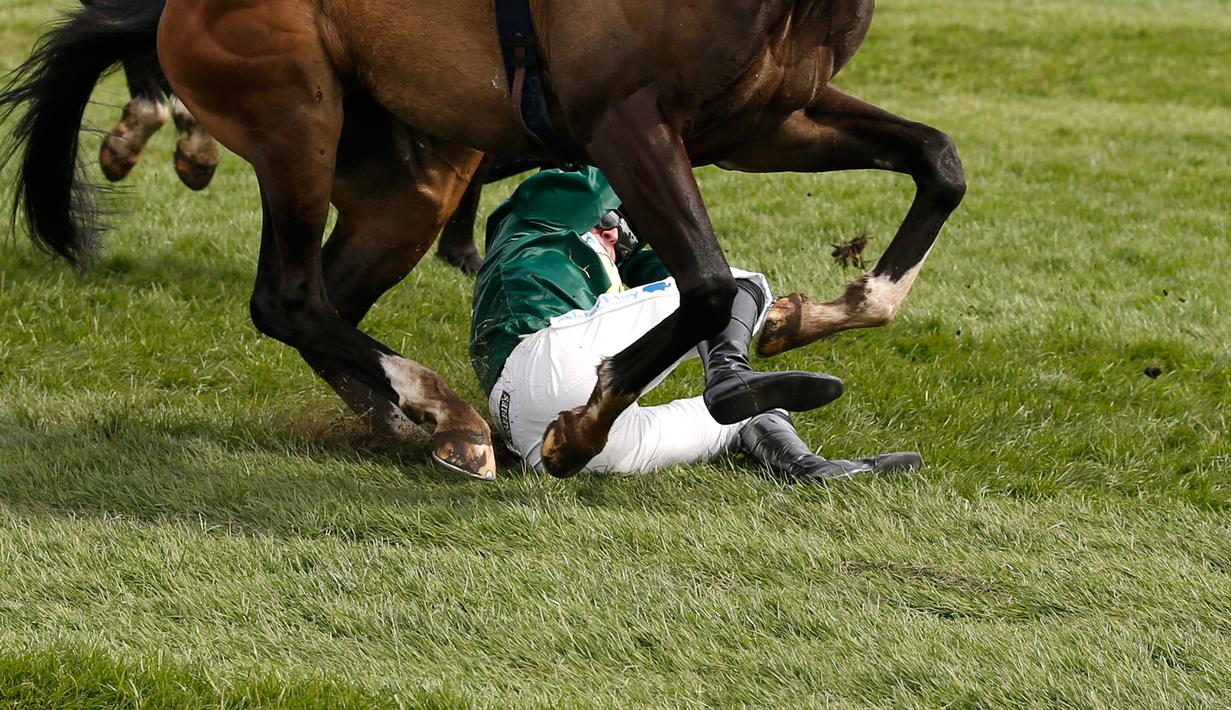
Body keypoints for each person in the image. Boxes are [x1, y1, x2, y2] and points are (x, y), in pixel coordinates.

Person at [469, 167, 922, 480]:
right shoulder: (538, 218)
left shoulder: (591, 276)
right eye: (609, 222)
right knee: (736, 285)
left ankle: (811, 468)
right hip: (545, 355)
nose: (613, 234)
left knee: (744, 414)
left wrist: (631, 254)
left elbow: (675, 273)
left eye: (622, 238)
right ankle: (728, 372)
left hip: (542, 442)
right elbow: (621, 152)